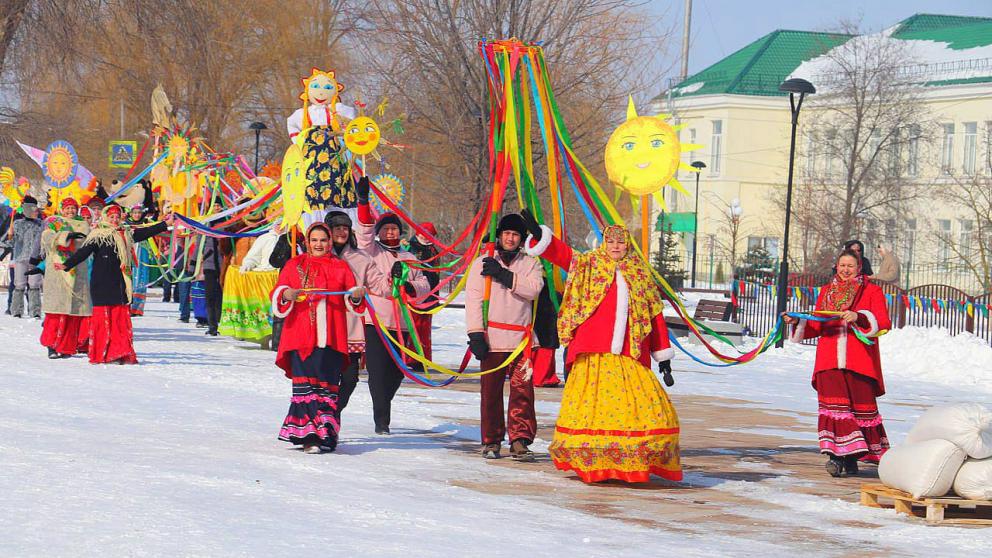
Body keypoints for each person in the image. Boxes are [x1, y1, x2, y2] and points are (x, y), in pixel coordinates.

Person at [522, 211, 681, 484]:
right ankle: (597, 463)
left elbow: (654, 315)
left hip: (630, 354)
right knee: (596, 409)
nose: (616, 247)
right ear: (603, 244)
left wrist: (662, 354)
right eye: (611, 242)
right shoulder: (589, 264)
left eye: (620, 243)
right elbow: (563, 255)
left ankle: (630, 461)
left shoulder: (640, 274)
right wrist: (541, 238)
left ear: (628, 244)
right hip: (594, 352)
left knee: (641, 408)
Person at [783, 249, 890, 477]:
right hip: (829, 360)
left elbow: (882, 322)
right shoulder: (827, 292)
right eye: (842, 265)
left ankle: (851, 459)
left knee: (860, 411)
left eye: (850, 266)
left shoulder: (872, 291)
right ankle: (836, 457)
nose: (845, 270)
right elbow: (818, 323)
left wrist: (859, 316)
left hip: (859, 361)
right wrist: (799, 320)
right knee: (835, 409)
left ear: (859, 268)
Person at [272, 222, 366, 454]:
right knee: (307, 389)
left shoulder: (341, 267)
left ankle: (327, 434)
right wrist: (286, 293)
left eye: (323, 240)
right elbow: (277, 293)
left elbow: (352, 300)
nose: (319, 244)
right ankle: (309, 437)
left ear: (330, 242)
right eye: (314, 240)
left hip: (332, 338)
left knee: (327, 389)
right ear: (308, 242)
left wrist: (356, 295)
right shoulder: (295, 265)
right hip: (301, 337)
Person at [466, 213, 544, 461]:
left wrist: (504, 275)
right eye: (507, 234)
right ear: (499, 236)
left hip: (521, 339)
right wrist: (476, 333)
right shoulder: (482, 263)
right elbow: (474, 300)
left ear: (521, 239)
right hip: (492, 337)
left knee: (523, 391)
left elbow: (533, 290)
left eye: (515, 235)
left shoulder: (530, 263)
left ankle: (520, 439)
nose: (510, 238)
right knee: (491, 392)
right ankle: (491, 440)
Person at [355, 176, 429, 434]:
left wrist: (410, 288)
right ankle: (381, 421)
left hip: (403, 325)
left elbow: (424, 285)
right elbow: (363, 231)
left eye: (394, 229)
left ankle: (383, 404)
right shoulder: (370, 251)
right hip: (375, 322)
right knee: (377, 371)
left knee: (397, 372)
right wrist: (363, 202)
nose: (390, 233)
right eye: (385, 229)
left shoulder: (409, 257)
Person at [57, 205, 172, 364]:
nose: (114, 219)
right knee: (102, 319)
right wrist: (67, 264)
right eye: (111, 217)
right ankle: (102, 352)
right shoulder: (97, 234)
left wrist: (165, 224)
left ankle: (119, 352)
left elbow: (146, 232)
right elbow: (84, 252)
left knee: (118, 319)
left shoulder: (126, 234)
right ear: (105, 217)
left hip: (119, 283)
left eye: (117, 217)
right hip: (101, 282)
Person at [324, 210, 383, 420]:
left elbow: (379, 285)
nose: (342, 232)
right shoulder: (319, 255)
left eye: (345, 228)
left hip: (350, 329)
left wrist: (398, 281)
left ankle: (334, 412)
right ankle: (325, 419)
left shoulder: (361, 258)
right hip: (324, 328)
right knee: (325, 379)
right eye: (337, 227)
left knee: (350, 379)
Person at [39, 198, 91, 358]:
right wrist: (65, 236)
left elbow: (87, 243)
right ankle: (51, 345)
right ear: (62, 209)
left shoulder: (83, 224)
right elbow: (47, 238)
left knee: (73, 312)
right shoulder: (54, 221)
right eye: (67, 208)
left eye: (73, 208)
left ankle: (66, 346)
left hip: (79, 270)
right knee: (56, 310)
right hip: (58, 271)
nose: (70, 211)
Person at [408, 222, 441, 361]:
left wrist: (435, 297)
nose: (426, 237)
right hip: (414, 292)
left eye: (430, 235)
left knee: (425, 328)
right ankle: (411, 358)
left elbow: (437, 274)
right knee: (412, 325)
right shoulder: (410, 249)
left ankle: (423, 359)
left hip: (430, 293)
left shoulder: (434, 251)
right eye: (424, 234)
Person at [10, 196, 45, 318]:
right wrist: (11, 236)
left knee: (35, 284)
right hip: (21, 258)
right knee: (19, 284)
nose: (37, 212)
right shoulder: (17, 224)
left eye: (37, 210)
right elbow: (11, 242)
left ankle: (35, 311)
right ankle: (16, 310)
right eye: (34, 210)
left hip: (35, 259)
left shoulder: (41, 224)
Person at [125, 205, 151, 316]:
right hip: (129, 252)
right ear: (131, 214)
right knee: (128, 277)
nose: (137, 215)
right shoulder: (125, 224)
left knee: (141, 278)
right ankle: (127, 305)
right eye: (135, 213)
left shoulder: (147, 224)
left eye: (139, 213)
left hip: (142, 252)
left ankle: (137, 308)